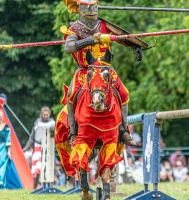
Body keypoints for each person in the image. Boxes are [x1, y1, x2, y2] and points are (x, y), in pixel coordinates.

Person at [62, 0, 151, 147]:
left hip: (105, 69)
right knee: (71, 94)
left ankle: (123, 130)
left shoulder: (103, 25)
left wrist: (135, 45)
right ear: (81, 9)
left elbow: (120, 36)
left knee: (124, 93)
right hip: (86, 71)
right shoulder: (74, 28)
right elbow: (69, 47)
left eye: (93, 8)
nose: (91, 12)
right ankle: (73, 131)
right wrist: (91, 40)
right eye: (88, 8)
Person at [23, 106, 55, 189]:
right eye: (44, 114)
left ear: (49, 114)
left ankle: (50, 187)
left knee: (48, 166)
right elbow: (32, 137)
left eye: (46, 114)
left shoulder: (52, 123)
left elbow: (56, 136)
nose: (45, 116)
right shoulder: (37, 123)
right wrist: (26, 148)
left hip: (48, 147)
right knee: (37, 168)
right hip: (38, 147)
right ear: (41, 115)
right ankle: (34, 187)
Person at [0, 110, 11, 188]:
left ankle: (1, 183)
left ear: (2, 118)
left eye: (0, 117)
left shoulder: (6, 127)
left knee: (3, 165)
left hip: (3, 148)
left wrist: (9, 151)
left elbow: (8, 140)